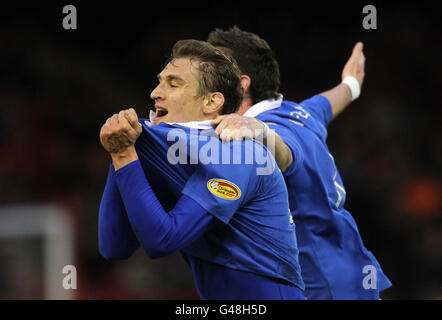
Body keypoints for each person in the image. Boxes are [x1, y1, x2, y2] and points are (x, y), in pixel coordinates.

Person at [98, 39, 305, 300]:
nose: (154, 93)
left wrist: (124, 153)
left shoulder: (239, 153)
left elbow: (163, 240)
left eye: (173, 84)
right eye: (160, 81)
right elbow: (115, 246)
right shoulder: (170, 154)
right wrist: (122, 152)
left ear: (211, 101)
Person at [208, 26, 392, 299]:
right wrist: (351, 84)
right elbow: (331, 100)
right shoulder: (301, 112)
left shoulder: (272, 129)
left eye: (211, 72)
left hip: (322, 287)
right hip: (348, 274)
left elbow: (285, 154)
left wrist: (260, 133)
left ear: (241, 83)